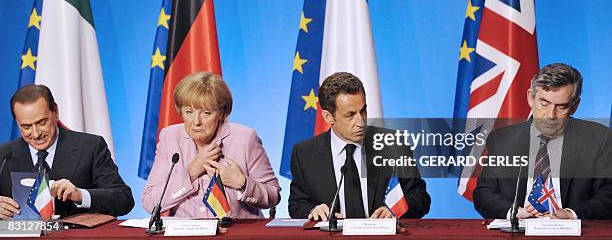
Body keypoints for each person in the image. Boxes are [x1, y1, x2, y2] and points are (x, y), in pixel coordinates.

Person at [473, 63, 612, 220]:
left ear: (574, 106)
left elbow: (609, 194)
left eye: (561, 107)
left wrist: (572, 215)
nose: (550, 114)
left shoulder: (600, 139)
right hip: (519, 229)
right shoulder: (502, 139)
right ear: (530, 97)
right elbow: (483, 193)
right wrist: (515, 213)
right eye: (544, 103)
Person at [289, 72, 430, 221]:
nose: (361, 122)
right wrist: (313, 210)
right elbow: (297, 204)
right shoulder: (304, 154)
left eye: (363, 111)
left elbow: (420, 198)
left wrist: (396, 210)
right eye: (350, 115)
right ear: (328, 117)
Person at [142, 72, 280, 218]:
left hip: (237, 233)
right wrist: (192, 171)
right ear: (180, 111)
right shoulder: (170, 137)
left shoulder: (245, 138)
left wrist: (242, 183)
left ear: (222, 113)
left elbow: (273, 196)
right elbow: (150, 202)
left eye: (206, 113)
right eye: (189, 112)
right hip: (186, 235)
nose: (196, 122)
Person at [0, 84, 134, 219]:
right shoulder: (3, 155)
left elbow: (124, 199)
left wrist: (81, 195)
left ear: (56, 112)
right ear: (17, 123)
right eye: (26, 126)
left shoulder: (91, 147)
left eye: (41, 122)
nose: (35, 134)